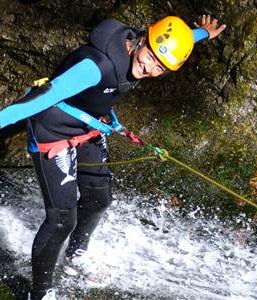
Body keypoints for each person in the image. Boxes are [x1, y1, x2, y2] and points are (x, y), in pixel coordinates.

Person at [0, 14, 226, 300]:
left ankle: (76, 255)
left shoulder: (151, 53)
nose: (149, 68)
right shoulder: (96, 67)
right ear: (142, 39)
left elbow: (172, 44)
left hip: (89, 125)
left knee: (99, 199)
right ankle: (39, 293)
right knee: (61, 220)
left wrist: (201, 34)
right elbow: (39, 99)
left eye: (161, 67)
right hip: (53, 131)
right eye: (150, 57)